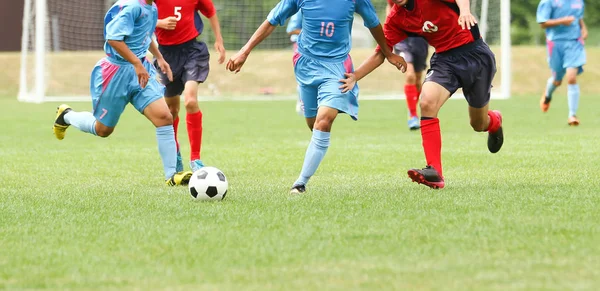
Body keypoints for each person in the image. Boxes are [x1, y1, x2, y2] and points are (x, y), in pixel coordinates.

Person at [226, 0, 406, 194]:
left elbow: (373, 24)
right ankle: (313, 155)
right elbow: (272, 20)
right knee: (313, 124)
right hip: (305, 65)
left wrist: (388, 53)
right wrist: (244, 51)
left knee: (324, 121)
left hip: (337, 67)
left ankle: (300, 183)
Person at [341, 0, 504, 189]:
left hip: (476, 55)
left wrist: (464, 11)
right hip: (445, 61)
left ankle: (495, 122)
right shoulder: (396, 18)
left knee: (478, 124)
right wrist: (355, 76)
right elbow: (381, 52)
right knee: (426, 102)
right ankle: (435, 172)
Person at [52, 0, 193, 186]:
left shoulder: (151, 6)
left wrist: (159, 57)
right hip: (115, 73)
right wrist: (136, 64)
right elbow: (113, 38)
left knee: (164, 117)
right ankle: (67, 116)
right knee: (103, 130)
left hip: (140, 71)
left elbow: (144, 34)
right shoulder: (132, 7)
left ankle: (172, 175)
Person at [154, 0, 226, 172]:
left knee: (191, 101)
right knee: (171, 111)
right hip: (166, 55)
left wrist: (219, 40)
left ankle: (196, 159)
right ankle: (176, 153)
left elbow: (210, 12)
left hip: (192, 51)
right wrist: (159, 23)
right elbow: (140, 15)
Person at [537, 0, 586, 126]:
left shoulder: (578, 1)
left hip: (574, 43)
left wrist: (583, 29)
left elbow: (578, 17)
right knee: (557, 80)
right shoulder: (548, 2)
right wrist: (562, 21)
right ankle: (547, 95)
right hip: (555, 44)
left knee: (571, 77)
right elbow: (543, 23)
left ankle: (572, 115)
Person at [386, 0, 429, 131]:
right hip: (402, 39)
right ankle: (413, 115)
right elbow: (390, 8)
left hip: (420, 38)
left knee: (417, 79)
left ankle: (414, 109)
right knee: (409, 75)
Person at [286, 11, 304, 116]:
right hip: (301, 46)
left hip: (316, 47)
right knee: (303, 76)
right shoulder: (301, 9)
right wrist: (312, 32)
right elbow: (291, 29)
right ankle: (302, 103)